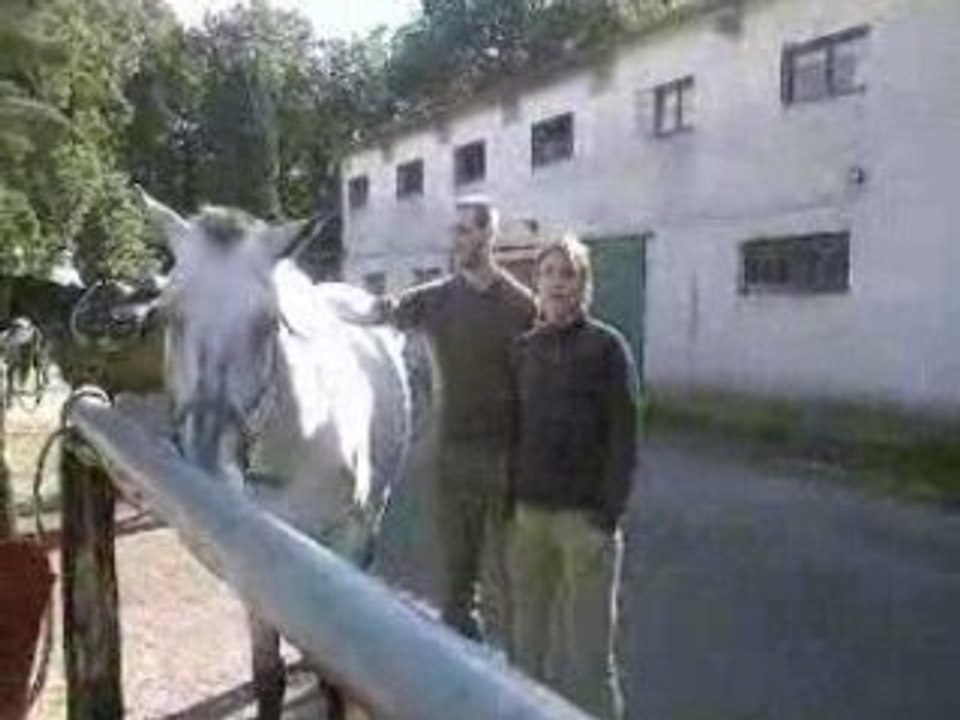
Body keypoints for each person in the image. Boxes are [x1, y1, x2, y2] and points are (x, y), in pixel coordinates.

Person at [385, 196, 536, 644]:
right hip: (453, 457)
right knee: (456, 582)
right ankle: (460, 663)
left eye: (465, 230)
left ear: (489, 234)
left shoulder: (521, 306)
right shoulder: (436, 299)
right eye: (453, 230)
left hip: (508, 460)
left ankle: (517, 670)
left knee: (512, 577)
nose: (456, 239)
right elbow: (381, 310)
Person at [508, 234, 639, 719]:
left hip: (585, 524)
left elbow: (624, 440)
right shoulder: (524, 350)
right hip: (530, 521)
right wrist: (512, 505)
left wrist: (606, 519)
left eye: (568, 274)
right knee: (526, 655)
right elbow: (514, 430)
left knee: (588, 660)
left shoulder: (607, 348)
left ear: (584, 285)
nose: (557, 283)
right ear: (536, 284)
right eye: (549, 273)